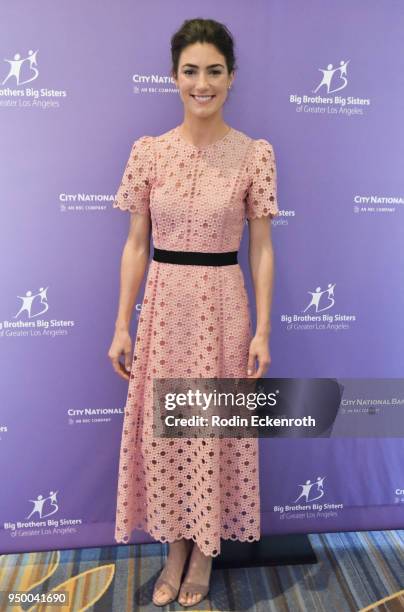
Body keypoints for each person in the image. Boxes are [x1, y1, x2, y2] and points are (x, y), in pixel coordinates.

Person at [108, 17, 279, 608]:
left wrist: (262, 328)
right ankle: (173, 548)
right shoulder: (148, 152)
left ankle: (205, 552)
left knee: (212, 431)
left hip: (223, 311)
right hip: (163, 307)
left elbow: (260, 247)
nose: (201, 83)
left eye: (213, 71)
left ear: (231, 78)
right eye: (190, 71)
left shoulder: (254, 154)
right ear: (174, 77)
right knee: (166, 432)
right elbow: (136, 244)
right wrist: (120, 324)